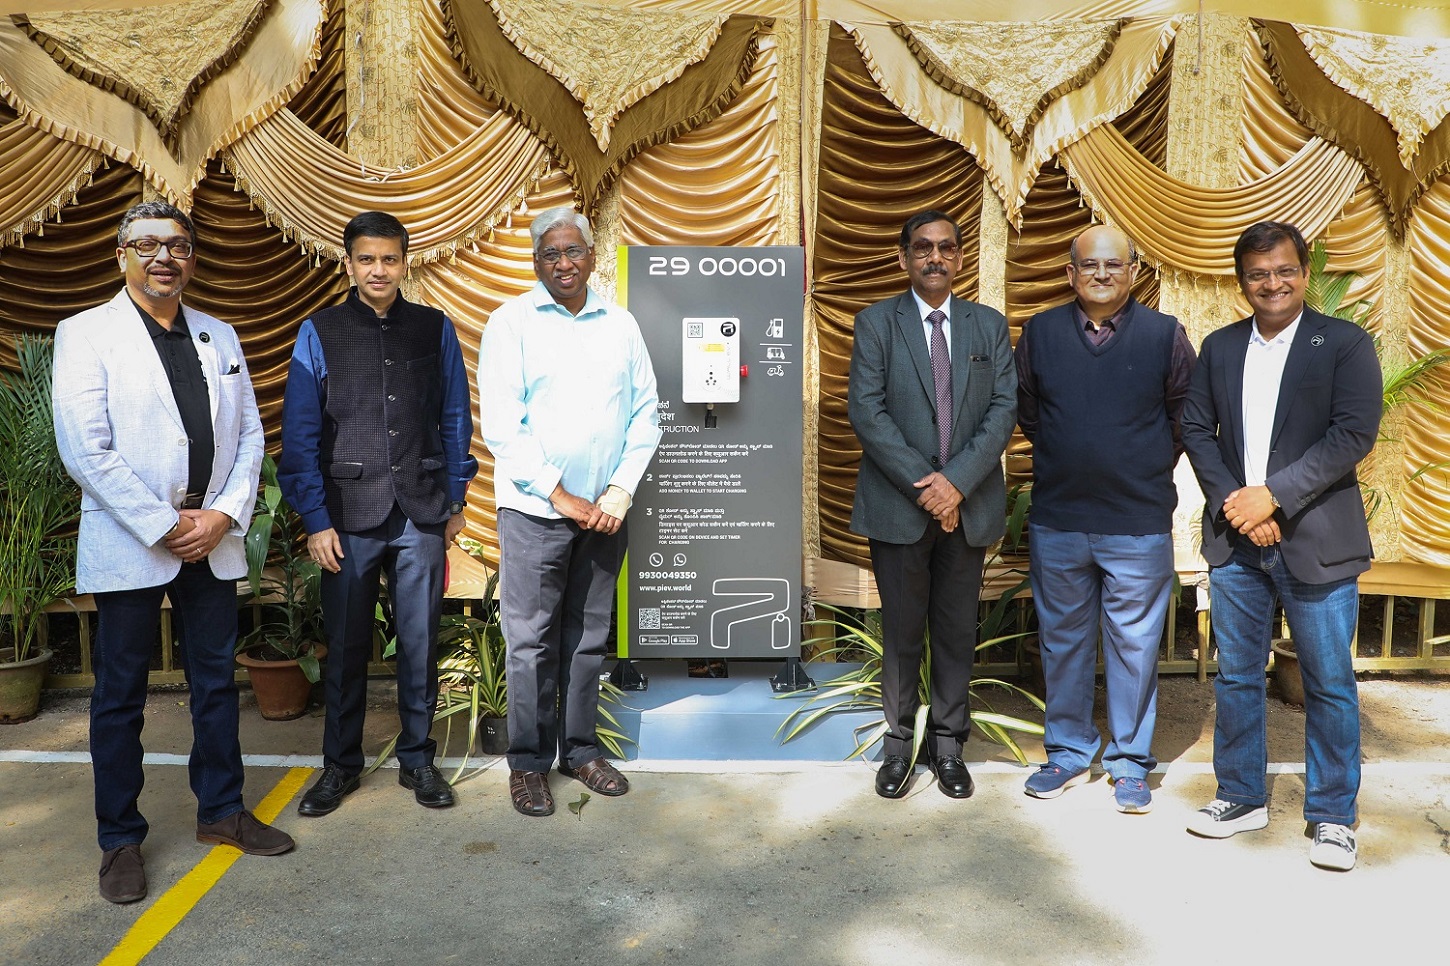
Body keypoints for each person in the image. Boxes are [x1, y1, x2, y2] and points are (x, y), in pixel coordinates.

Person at [53, 201, 294, 904]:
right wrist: (165, 524)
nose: (166, 257)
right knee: (120, 694)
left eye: (180, 246)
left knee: (216, 685)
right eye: (149, 244)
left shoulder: (220, 335)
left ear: (193, 258)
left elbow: (249, 434)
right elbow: (84, 448)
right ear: (121, 253)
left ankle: (222, 811)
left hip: (210, 541)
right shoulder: (85, 333)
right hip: (135, 540)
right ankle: (119, 838)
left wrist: (222, 515)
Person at [1181, 221, 1381, 871]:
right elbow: (1195, 428)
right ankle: (1241, 796)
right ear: (1243, 281)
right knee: (1238, 676)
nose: (1273, 283)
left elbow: (1352, 434)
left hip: (1318, 541)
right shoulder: (1220, 347)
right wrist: (1236, 502)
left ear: (1304, 271)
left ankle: (1331, 816)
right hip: (1238, 545)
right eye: (1258, 274)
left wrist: (1273, 496)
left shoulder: (1344, 344)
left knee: (1329, 681)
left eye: (1285, 270)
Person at [279, 211, 478, 816]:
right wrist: (315, 519)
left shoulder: (434, 328)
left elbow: (453, 420)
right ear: (348, 264)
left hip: (419, 513)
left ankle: (418, 761)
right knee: (343, 648)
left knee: (419, 642)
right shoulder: (320, 331)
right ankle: (339, 766)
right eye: (366, 259)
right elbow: (301, 431)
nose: (378, 270)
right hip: (347, 516)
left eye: (389, 259)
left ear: (405, 263)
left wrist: (455, 501)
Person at [477, 206, 660, 817]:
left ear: (590, 256)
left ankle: (579, 750)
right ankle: (528, 765)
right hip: (536, 511)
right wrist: (562, 496)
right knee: (529, 642)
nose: (563, 263)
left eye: (572, 251)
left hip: (606, 513)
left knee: (587, 640)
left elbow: (645, 415)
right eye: (550, 254)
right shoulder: (511, 324)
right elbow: (504, 425)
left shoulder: (620, 325)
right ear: (536, 262)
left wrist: (619, 493)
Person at [1014, 225, 1196, 814]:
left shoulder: (1165, 335)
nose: (1100, 274)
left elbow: (1183, 416)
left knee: (1135, 645)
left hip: (1137, 520)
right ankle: (1067, 751)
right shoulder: (1040, 332)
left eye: (1113, 265)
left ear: (1133, 270)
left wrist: (1137, 464)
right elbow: (1030, 413)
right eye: (1088, 265)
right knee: (1062, 642)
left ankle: (1128, 763)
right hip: (1059, 517)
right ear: (1070, 273)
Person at [847, 209, 1017, 799]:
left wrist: (957, 485)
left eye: (946, 248)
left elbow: (1002, 411)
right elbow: (867, 412)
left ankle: (949, 748)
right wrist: (930, 486)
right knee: (901, 632)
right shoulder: (875, 324)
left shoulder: (987, 325)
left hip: (966, 506)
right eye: (923, 248)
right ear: (903, 258)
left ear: (961, 258)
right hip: (901, 507)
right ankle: (898, 748)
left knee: (953, 629)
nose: (935, 257)